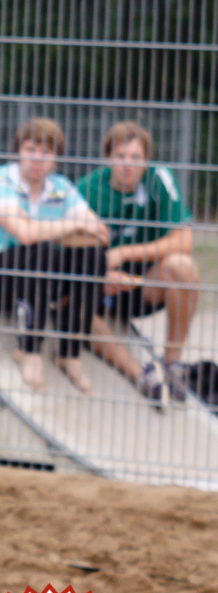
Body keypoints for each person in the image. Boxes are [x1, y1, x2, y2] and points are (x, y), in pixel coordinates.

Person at [0, 117, 109, 394]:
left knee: (92, 254)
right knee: (41, 248)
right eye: (30, 149)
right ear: (18, 151)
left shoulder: (61, 187)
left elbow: (99, 234)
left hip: (28, 279)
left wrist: (53, 230)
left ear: (56, 158)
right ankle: (29, 350)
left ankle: (69, 354)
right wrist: (72, 225)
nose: (37, 159)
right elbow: (24, 234)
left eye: (46, 152)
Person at [78, 121, 203, 404]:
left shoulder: (160, 179)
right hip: (100, 282)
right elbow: (67, 245)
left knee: (183, 267)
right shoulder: (87, 188)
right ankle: (142, 376)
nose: (128, 165)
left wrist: (124, 254)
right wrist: (100, 274)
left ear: (146, 160)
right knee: (74, 304)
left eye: (136, 158)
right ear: (108, 158)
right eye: (121, 157)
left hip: (143, 282)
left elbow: (185, 241)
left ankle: (173, 365)